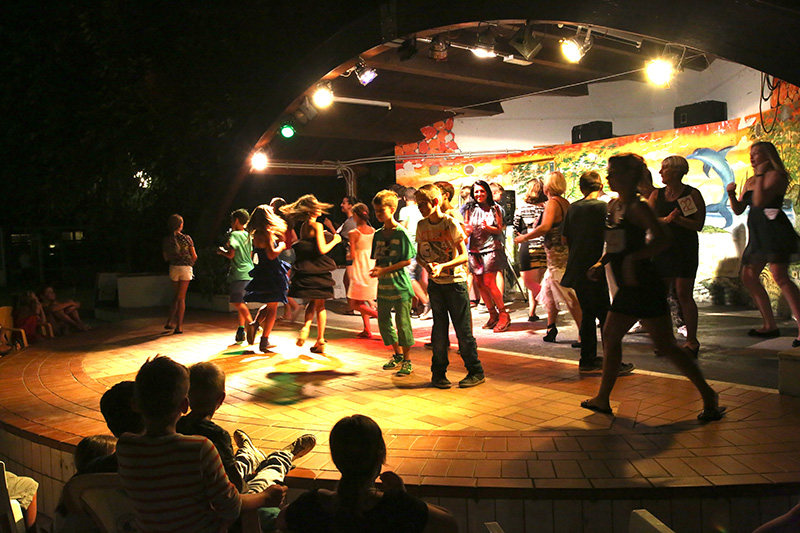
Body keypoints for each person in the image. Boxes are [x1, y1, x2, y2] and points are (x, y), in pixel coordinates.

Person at [580, 153, 725, 422]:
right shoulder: (614, 206)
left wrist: (634, 258)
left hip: (644, 284)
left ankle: (708, 396)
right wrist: (602, 263)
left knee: (666, 346)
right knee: (611, 336)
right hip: (628, 285)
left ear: (629, 176)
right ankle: (602, 398)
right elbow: (614, 244)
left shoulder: (639, 207)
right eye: (609, 172)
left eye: (614, 172)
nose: (609, 177)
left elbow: (663, 239)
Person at [116, 356, 285, 532]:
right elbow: (231, 507)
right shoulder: (199, 448)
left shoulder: (126, 446)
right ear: (185, 405)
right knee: (262, 484)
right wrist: (266, 497)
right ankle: (276, 457)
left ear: (134, 404)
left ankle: (253, 453)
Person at [277, 415, 458, 533]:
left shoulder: (310, 504)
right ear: (381, 455)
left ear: (335, 457)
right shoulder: (398, 509)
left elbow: (281, 521)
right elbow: (450, 524)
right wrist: (403, 497)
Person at [177, 362, 316, 495]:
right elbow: (235, 482)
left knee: (232, 467)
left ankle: (249, 453)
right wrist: (248, 491)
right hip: (223, 499)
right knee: (267, 477)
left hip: (207, 486)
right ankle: (284, 456)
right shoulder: (217, 435)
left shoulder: (176, 426)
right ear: (221, 398)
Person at [562, 171, 635, 376]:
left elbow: (564, 239)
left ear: (581, 188)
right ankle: (613, 362)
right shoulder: (605, 207)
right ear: (600, 186)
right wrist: (603, 261)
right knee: (605, 316)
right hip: (595, 268)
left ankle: (587, 359)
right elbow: (614, 240)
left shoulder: (573, 208)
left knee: (588, 313)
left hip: (576, 268)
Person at [727, 141, 800, 347]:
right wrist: (731, 194)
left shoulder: (777, 176)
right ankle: (769, 325)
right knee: (749, 277)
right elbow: (739, 209)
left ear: (768, 156)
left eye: (757, 153)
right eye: (751, 153)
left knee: (780, 276)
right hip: (758, 233)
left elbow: (759, 201)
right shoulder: (751, 180)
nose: (752, 157)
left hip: (774, 230)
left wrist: (759, 175)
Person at [416, 184, 486, 389]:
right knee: (439, 330)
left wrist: (443, 266)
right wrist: (427, 265)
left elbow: (464, 256)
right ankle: (438, 373)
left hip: (455, 284)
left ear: (435, 202)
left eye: (423, 204)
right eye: (419, 205)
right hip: (436, 285)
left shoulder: (450, 223)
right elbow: (419, 254)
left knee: (463, 331)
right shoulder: (422, 225)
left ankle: (475, 371)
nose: (420, 208)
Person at [515, 172, 581, 343]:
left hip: (557, 256)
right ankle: (551, 327)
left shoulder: (553, 203)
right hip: (558, 254)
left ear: (548, 186)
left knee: (568, 295)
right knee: (549, 291)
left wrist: (524, 238)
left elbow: (545, 227)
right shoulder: (565, 202)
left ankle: (584, 334)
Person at [649, 155, 705, 357]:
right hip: (662, 249)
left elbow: (698, 224)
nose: (660, 172)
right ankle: (666, 340)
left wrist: (678, 220)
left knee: (683, 293)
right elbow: (648, 220)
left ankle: (692, 340)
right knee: (660, 295)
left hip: (684, 249)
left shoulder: (690, 194)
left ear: (677, 171)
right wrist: (666, 219)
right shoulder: (657, 195)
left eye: (664, 168)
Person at [280, 195, 342, 353]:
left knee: (312, 302)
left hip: (306, 269)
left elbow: (306, 246)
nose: (320, 208)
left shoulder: (303, 227)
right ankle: (320, 339)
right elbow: (322, 249)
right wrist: (335, 240)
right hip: (318, 269)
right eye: (317, 206)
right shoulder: (317, 226)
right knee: (321, 306)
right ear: (311, 210)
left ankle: (306, 327)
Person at [371, 190, 416, 376]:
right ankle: (397, 354)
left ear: (392, 209)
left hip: (400, 286)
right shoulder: (378, 234)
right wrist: (377, 270)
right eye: (376, 211)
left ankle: (407, 360)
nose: (378, 214)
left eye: (381, 210)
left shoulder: (401, 233)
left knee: (403, 323)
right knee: (383, 322)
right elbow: (378, 258)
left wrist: (384, 270)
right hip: (383, 286)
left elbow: (407, 260)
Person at [463, 180, 511, 332]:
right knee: (479, 283)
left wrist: (488, 228)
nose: (479, 194)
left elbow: (499, 229)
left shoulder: (495, 208)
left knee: (489, 282)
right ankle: (492, 314)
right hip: (474, 250)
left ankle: (503, 314)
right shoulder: (469, 209)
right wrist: (466, 232)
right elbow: (466, 228)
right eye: (476, 191)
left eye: (482, 191)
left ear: (487, 192)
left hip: (491, 249)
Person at [243, 205, 290, 352]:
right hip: (273, 272)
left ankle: (255, 325)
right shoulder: (268, 233)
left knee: (270, 303)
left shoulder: (256, 234)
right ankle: (264, 340)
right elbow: (272, 254)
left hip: (263, 271)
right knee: (272, 309)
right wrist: (281, 246)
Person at [217, 209, 255, 344]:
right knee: (242, 302)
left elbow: (231, 254)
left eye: (232, 220)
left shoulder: (234, 234)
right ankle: (241, 330)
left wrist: (222, 251)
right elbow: (250, 254)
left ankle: (253, 324)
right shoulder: (248, 235)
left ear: (237, 221)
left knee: (236, 302)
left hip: (239, 272)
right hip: (249, 271)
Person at [513, 178, 548, 322]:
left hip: (527, 245)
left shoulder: (521, 208)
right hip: (544, 245)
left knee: (529, 282)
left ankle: (536, 309)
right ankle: (535, 310)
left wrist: (523, 237)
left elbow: (515, 226)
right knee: (538, 280)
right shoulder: (547, 207)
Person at [347, 203, 379, 338]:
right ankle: (367, 329)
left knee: (354, 303)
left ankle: (378, 316)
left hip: (360, 267)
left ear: (355, 215)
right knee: (361, 301)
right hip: (371, 265)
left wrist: (347, 254)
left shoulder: (354, 233)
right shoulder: (374, 231)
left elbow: (352, 255)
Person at [162, 214, 197, 334]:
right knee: (181, 298)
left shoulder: (167, 240)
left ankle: (169, 322)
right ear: (181, 225)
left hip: (174, 268)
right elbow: (194, 256)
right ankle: (179, 326)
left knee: (176, 295)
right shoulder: (187, 238)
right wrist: (190, 263)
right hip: (186, 268)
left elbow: (166, 257)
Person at [398, 187, 430, 318]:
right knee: (420, 277)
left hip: (410, 247)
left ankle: (426, 303)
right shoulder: (420, 210)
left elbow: (402, 228)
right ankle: (417, 306)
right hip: (423, 246)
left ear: (405, 198)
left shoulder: (404, 210)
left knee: (409, 277)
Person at [271, 197, 301, 323]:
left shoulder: (277, 223)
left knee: (281, 284)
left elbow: (280, 239)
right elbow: (294, 238)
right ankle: (287, 313)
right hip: (290, 252)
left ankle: (295, 306)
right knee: (284, 282)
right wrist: (288, 244)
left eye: (272, 206)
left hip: (282, 254)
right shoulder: (288, 222)